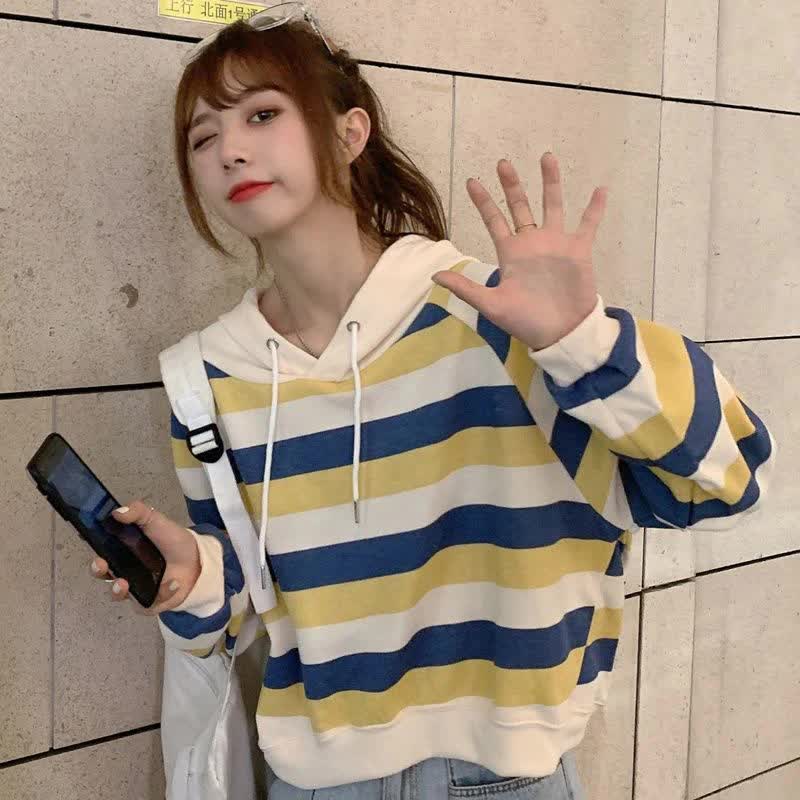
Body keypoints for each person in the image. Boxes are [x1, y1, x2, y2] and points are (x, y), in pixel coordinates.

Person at [89, 5, 778, 798]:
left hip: (503, 779)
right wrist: (192, 578)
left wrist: (583, 342)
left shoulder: (492, 318)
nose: (229, 149)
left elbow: (726, 477)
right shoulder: (207, 376)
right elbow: (247, 604)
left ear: (349, 133)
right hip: (316, 784)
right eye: (202, 137)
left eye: (263, 114)